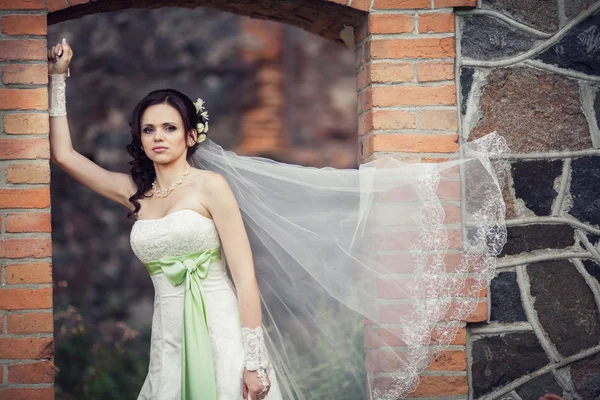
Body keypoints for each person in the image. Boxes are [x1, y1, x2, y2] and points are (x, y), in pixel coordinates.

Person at [47, 38, 510, 400]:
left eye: (169, 127)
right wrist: (58, 77)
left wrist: (253, 360)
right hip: (169, 333)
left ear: (191, 135)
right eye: (149, 129)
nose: (158, 137)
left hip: (222, 325)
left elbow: (245, 279)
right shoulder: (135, 193)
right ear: (140, 139)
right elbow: (65, 156)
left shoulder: (212, 188)